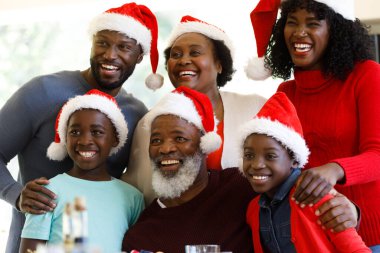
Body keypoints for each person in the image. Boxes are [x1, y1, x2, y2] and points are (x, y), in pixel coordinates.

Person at [0, 3, 161, 252]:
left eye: (124, 47)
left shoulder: (137, 114)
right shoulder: (40, 92)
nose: (110, 55)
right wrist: (16, 194)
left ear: (139, 55)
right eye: (102, 43)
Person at [247, 0, 380, 249]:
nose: (299, 32)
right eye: (292, 22)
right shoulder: (286, 92)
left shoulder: (367, 75)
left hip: (372, 236)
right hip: (313, 237)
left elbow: (378, 154)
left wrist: (334, 169)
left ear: (336, 29)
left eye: (313, 23)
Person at [123, 15, 267, 204]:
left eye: (195, 53)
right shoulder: (150, 123)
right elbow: (143, 192)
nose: (183, 60)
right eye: (176, 55)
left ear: (219, 64)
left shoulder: (255, 108)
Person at [122, 86, 256, 253]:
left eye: (180, 138)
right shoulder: (140, 237)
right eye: (156, 140)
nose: (166, 149)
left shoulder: (242, 187)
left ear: (204, 144)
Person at [237, 92, 370, 252]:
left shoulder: (317, 197)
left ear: (294, 159)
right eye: (249, 155)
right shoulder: (253, 210)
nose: (257, 164)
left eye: (270, 156)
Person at [19, 89, 144, 253]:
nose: (85, 140)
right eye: (75, 132)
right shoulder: (48, 192)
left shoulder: (132, 198)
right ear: (65, 137)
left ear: (115, 139)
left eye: (97, 132)